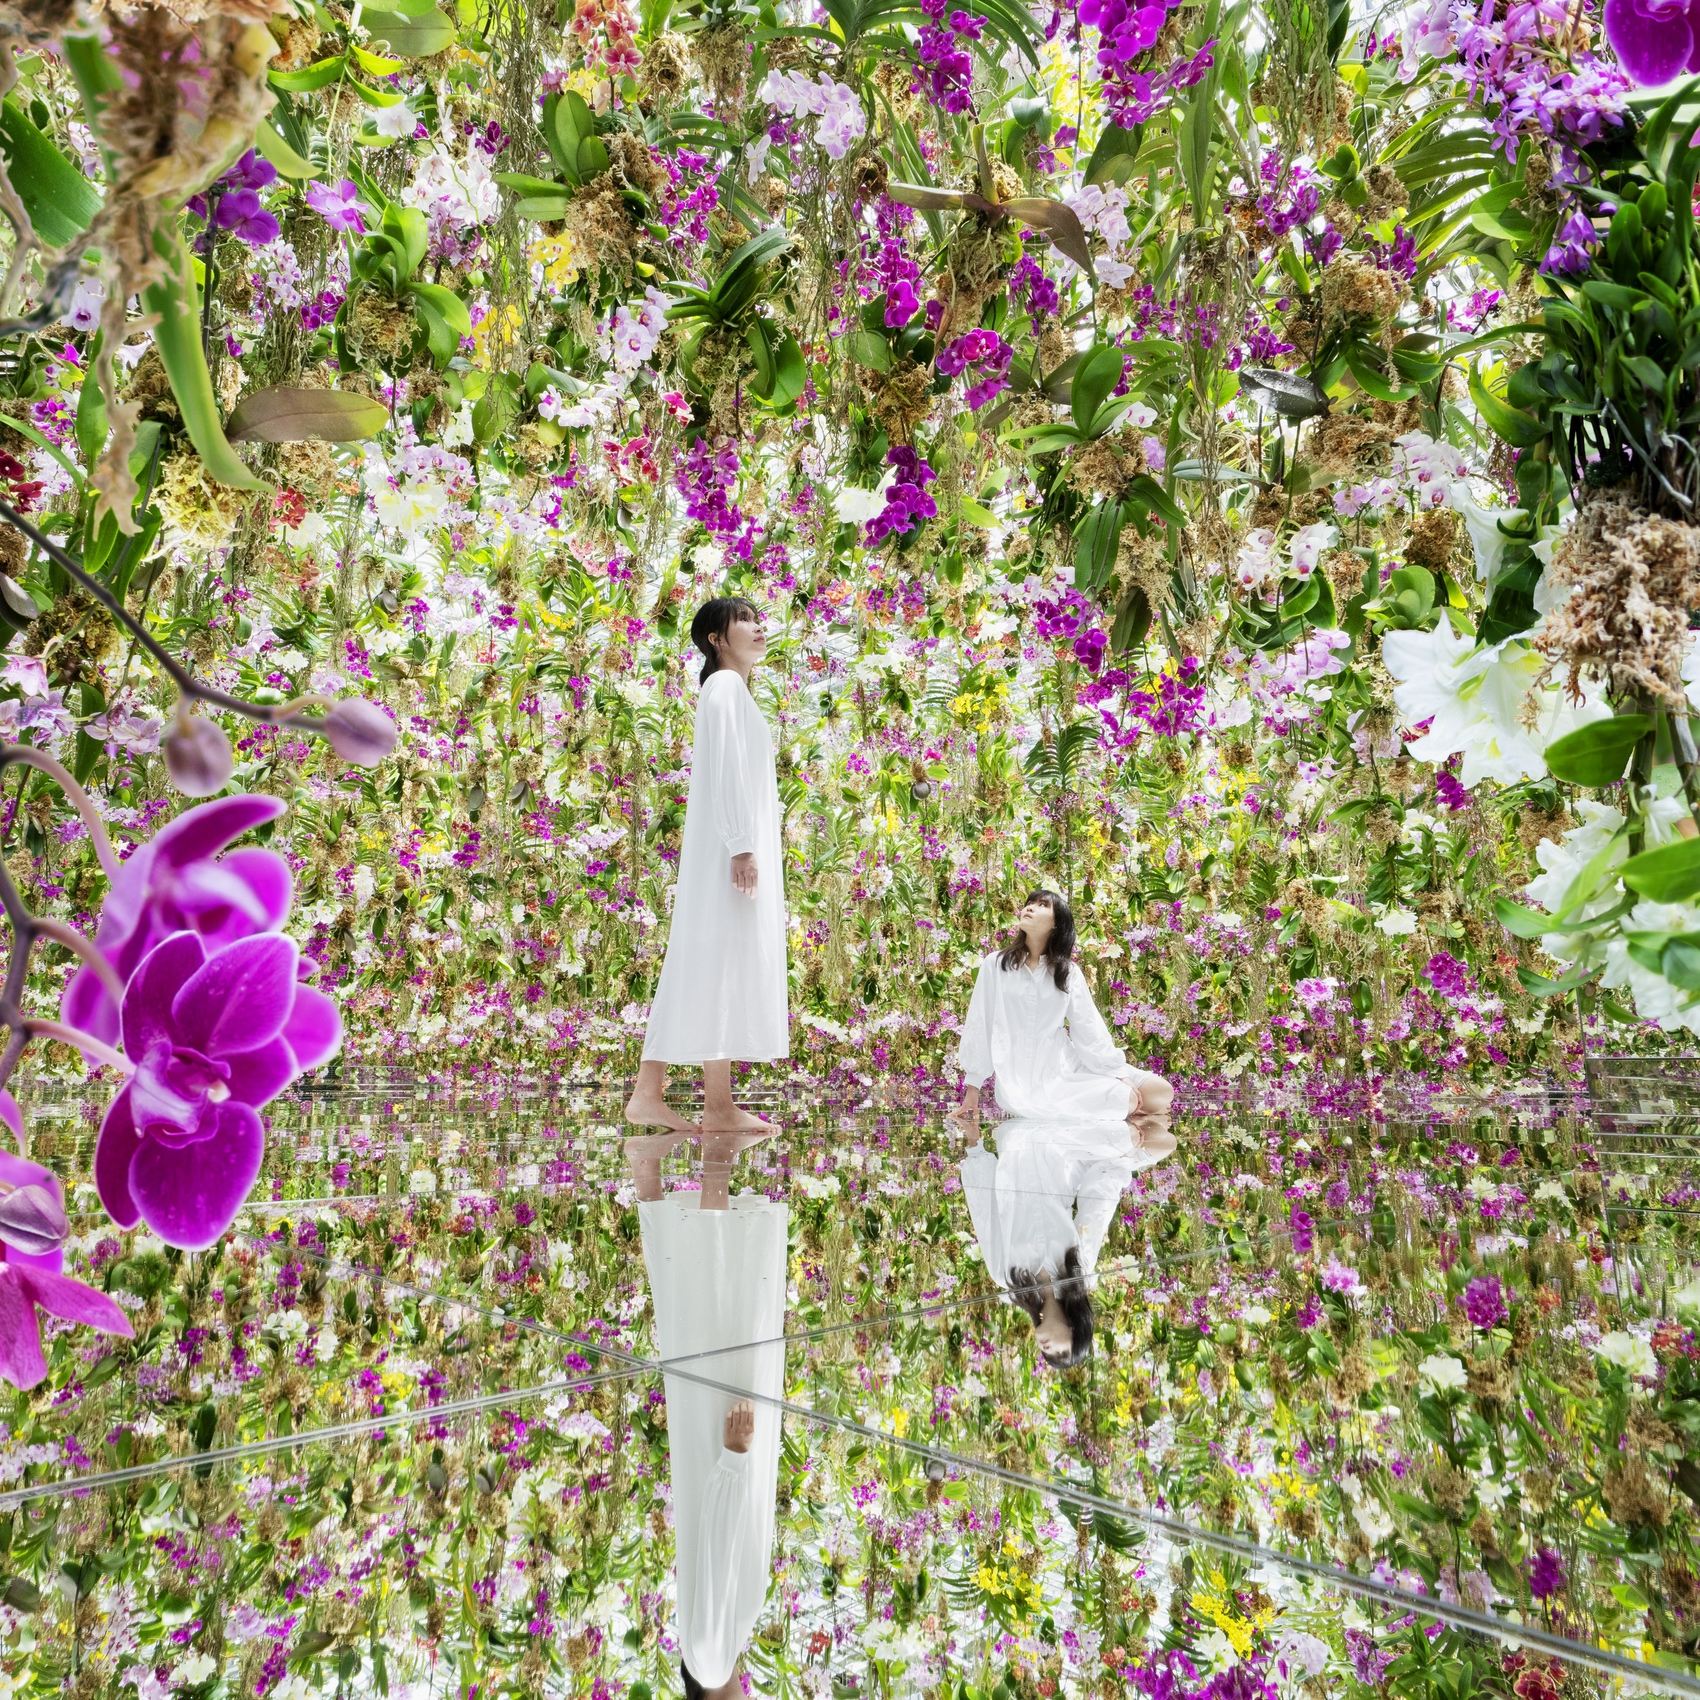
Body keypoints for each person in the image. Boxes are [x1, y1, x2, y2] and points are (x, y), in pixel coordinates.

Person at [629, 1133, 786, 1700]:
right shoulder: (712, 1654)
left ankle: (712, 1158)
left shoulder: (714, 1661)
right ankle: (650, 1175)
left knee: (721, 1312)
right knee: (700, 1315)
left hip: (727, 1450)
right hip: (721, 1454)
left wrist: (733, 1458)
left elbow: (719, 1551)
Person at [626, 596, 788, 1135]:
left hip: (729, 849)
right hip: (728, 853)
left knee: (712, 965)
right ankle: (662, 1095)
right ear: (716, 639)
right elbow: (724, 769)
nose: (758, 626)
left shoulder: (734, 691)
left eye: (756, 617)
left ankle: (704, 1102)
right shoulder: (723, 688)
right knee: (709, 962)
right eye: (743, 619)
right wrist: (741, 845)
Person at [947, 889, 1174, 1135]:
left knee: (1160, 1091)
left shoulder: (1067, 971)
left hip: (1069, 1064)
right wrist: (973, 1089)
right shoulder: (997, 964)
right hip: (1026, 1083)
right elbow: (980, 1023)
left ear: (1056, 924)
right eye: (1029, 903)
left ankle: (1121, 1102)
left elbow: (1087, 1026)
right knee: (1126, 1099)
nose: (1030, 907)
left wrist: (1117, 1072)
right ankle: (1123, 1109)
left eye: (1042, 904)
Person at [958, 1112, 1176, 1367]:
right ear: (1074, 1330)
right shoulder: (1078, 1269)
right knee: (1159, 1140)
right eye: (1061, 1352)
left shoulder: (1009, 1278)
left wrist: (974, 1142)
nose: (1048, 1351)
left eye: (1047, 1356)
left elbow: (986, 1215)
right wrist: (1129, 1148)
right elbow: (1097, 1204)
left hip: (1014, 1142)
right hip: (1057, 1146)